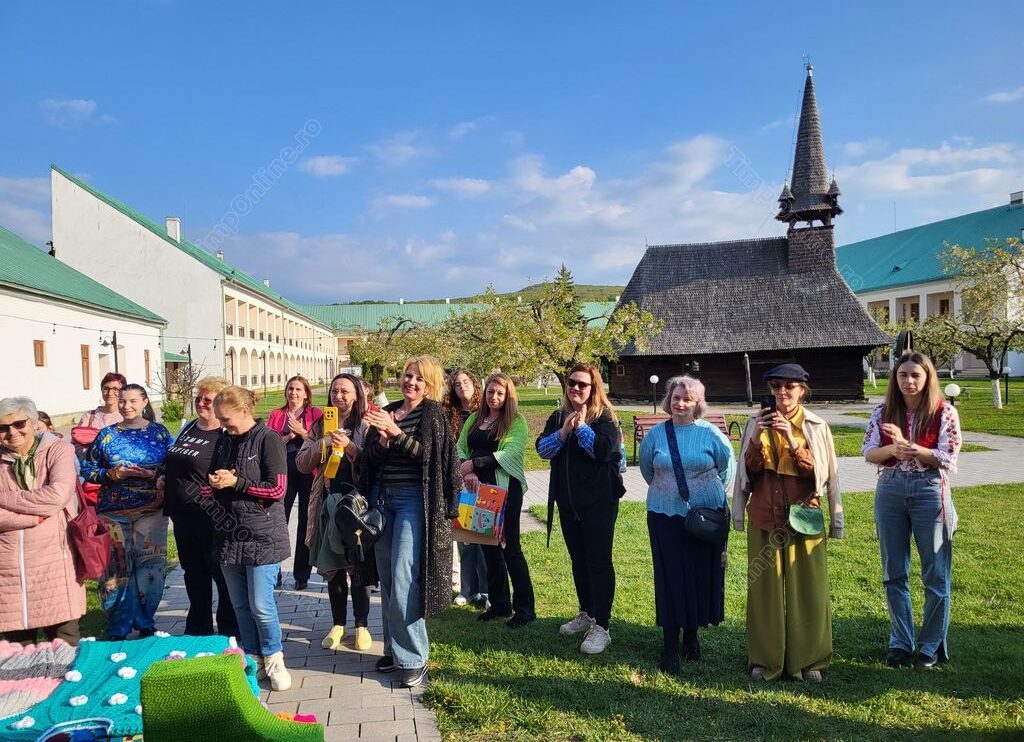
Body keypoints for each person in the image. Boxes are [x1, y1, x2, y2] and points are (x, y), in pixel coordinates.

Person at [733, 364, 843, 682]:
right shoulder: (755, 422)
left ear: (802, 390)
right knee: (764, 592)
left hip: (804, 517)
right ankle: (766, 660)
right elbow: (748, 472)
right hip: (764, 516)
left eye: (789, 386)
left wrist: (792, 441)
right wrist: (757, 437)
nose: (782, 392)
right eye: (776, 386)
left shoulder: (816, 425)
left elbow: (822, 474)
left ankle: (809, 661)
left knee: (809, 590)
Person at [359, 356, 461, 688]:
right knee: (388, 578)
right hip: (382, 501)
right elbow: (371, 461)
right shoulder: (388, 412)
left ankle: (414, 657)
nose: (411, 382)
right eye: (407, 376)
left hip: (414, 501)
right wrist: (382, 440)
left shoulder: (433, 414)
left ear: (429, 385)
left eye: (419, 379)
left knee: (405, 577)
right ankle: (394, 650)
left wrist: (396, 434)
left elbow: (434, 460)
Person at [862, 352, 961, 669]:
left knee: (935, 573)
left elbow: (948, 456)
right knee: (893, 571)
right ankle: (901, 642)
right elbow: (869, 452)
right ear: (895, 378)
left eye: (916, 375)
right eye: (902, 375)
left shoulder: (943, 412)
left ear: (928, 378)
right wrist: (893, 449)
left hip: (929, 489)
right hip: (890, 487)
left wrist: (913, 448)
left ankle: (931, 645)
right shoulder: (883, 411)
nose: (909, 381)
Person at [639, 376, 735, 673]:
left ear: (698, 403)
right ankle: (670, 645)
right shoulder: (656, 435)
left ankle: (692, 637)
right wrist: (670, 491)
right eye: (676, 397)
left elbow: (727, 470)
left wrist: (703, 495)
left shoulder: (711, 434)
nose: (680, 403)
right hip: (664, 515)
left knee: (698, 575)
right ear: (669, 400)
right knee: (670, 578)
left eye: (687, 399)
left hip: (705, 518)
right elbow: (647, 469)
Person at [202, 386, 292, 691]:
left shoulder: (269, 439)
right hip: (228, 534)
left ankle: (274, 657)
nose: (223, 425)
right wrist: (213, 484)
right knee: (239, 603)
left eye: (226, 419)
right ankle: (253, 655)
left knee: (261, 605)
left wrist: (236, 483)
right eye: (220, 420)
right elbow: (215, 480)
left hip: (262, 536)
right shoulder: (224, 439)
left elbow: (277, 489)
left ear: (244, 411)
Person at [536, 363, 625, 655]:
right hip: (569, 503)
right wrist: (563, 432)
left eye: (582, 384)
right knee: (579, 560)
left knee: (599, 561)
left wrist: (582, 427)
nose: (575, 387)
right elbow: (542, 449)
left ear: (593, 388)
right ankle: (587, 612)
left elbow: (603, 451)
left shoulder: (605, 417)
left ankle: (602, 626)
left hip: (599, 503)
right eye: (571, 382)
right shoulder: (558, 417)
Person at [81, 384, 171, 640]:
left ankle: (145, 622)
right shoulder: (106, 435)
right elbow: (87, 469)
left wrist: (152, 474)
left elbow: (174, 467)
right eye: (122, 401)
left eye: (132, 401)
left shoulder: (160, 433)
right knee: (115, 570)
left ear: (144, 402)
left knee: (151, 567)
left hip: (151, 511)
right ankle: (118, 627)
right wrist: (112, 474)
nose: (126, 406)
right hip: (112, 513)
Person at [296, 373, 378, 652]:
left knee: (359, 564)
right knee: (334, 566)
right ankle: (338, 624)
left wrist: (351, 447)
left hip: (357, 504)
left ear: (357, 395)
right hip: (328, 501)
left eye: (344, 391)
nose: (338, 396)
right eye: (334, 391)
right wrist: (323, 443)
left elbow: (374, 462)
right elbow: (301, 463)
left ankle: (362, 625)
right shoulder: (321, 423)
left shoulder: (366, 423)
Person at [0, 397, 86, 645]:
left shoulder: (57, 450)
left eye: (19, 423)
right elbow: (46, 504)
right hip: (9, 567)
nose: (12, 432)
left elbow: (57, 496)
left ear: (33, 421)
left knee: (64, 644)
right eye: (3, 427)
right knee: (18, 651)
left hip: (54, 560)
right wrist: (35, 516)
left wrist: (4, 498)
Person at [159, 376, 238, 637]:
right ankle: (198, 627)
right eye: (199, 398)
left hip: (212, 516)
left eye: (208, 400)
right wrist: (163, 476)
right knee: (193, 573)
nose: (201, 403)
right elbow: (175, 460)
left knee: (220, 574)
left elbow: (233, 473)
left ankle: (229, 629)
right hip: (182, 515)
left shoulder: (227, 435)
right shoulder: (189, 426)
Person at [458, 372, 535, 627]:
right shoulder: (474, 418)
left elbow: (511, 453)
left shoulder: (516, 421)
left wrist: (475, 463)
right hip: (478, 491)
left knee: (510, 549)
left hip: (505, 490)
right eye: (491, 391)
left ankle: (525, 608)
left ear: (508, 396)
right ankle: (500, 604)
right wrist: (467, 470)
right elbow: (460, 447)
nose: (494, 397)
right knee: (488, 547)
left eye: (500, 393)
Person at [267, 376, 322, 591]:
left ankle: (302, 574)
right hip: (283, 472)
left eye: (299, 389)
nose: (294, 393)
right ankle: (274, 572)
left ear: (306, 393)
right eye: (290, 389)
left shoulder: (316, 414)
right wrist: (289, 436)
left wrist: (302, 432)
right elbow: (268, 445)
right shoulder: (276, 414)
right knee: (279, 521)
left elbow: (320, 442)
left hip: (308, 471)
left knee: (306, 522)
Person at [445, 368, 488, 609]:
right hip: (459, 479)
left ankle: (487, 589)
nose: (462, 386)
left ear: (474, 383)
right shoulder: (450, 414)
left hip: (482, 478)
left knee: (483, 535)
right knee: (464, 538)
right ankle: (468, 589)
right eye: (457, 384)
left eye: (465, 381)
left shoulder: (485, 411)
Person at [73, 372, 126, 459]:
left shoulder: (127, 417)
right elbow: (75, 443)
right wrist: (89, 454)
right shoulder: (89, 416)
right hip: (91, 464)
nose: (110, 393)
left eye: (115, 389)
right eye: (106, 388)